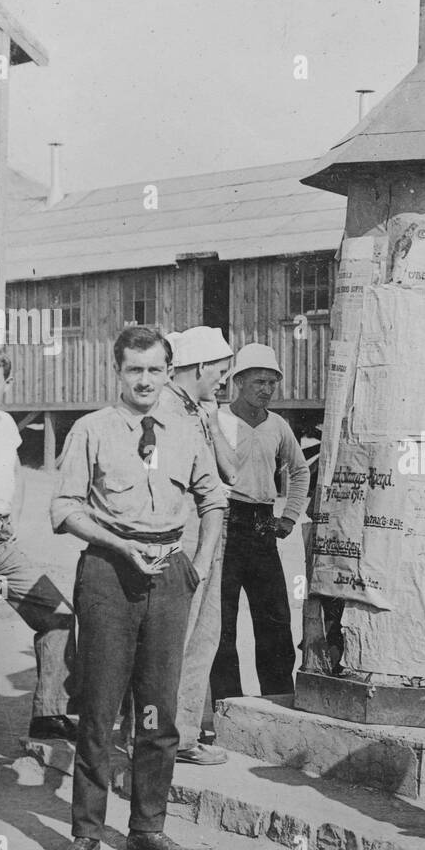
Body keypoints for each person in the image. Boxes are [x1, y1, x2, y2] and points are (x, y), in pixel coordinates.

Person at [49, 326, 226, 850]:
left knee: (158, 712)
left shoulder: (186, 431)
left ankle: (149, 828)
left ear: (169, 373)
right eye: (134, 370)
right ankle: (85, 834)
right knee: (100, 710)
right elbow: (64, 510)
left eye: (154, 370)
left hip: (169, 573)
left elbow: (214, 499)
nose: (144, 380)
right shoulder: (91, 430)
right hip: (108, 572)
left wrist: (196, 566)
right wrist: (119, 544)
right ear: (118, 373)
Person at [209, 344, 310, 701]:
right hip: (224, 523)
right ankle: (226, 703)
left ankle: (279, 699)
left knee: (275, 619)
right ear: (238, 381)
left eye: (272, 382)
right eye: (258, 381)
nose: (266, 389)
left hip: (264, 525)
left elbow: (300, 471)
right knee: (222, 622)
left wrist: (289, 517)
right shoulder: (218, 420)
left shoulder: (278, 425)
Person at [0, 346, 77, 741]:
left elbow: (16, 473)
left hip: (2, 542)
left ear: (8, 384)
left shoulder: (7, 424)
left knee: (57, 614)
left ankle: (48, 713)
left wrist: (14, 518)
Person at [160, 326, 236, 765]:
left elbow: (228, 474)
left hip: (203, 531)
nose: (223, 380)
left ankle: (174, 735)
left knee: (202, 635)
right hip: (187, 535)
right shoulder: (172, 410)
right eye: (221, 371)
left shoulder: (194, 409)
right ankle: (166, 739)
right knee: (181, 639)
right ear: (202, 367)